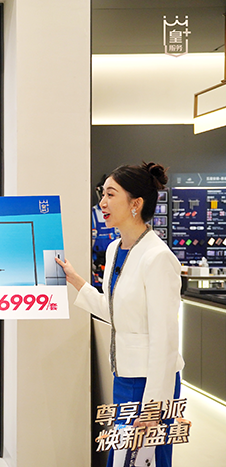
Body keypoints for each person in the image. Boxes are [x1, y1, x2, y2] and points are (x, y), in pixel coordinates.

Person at [56, 162, 183, 467]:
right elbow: (116, 312)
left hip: (150, 383)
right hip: (123, 378)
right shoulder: (115, 249)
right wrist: (76, 280)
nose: (102, 202)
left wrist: (153, 407)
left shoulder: (158, 258)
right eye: (102, 194)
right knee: (122, 459)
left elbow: (165, 341)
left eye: (111, 194)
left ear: (135, 204)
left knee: (146, 460)